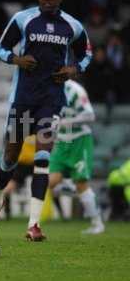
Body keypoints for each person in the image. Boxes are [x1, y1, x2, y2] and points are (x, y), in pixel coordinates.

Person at [0, 0, 92, 241]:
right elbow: (0, 49)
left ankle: (33, 225)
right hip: (23, 98)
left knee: (43, 157)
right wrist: (17, 59)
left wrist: (73, 69)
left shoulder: (73, 26)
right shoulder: (23, 19)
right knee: (10, 155)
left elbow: (86, 56)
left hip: (52, 99)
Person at [49, 80, 104, 234]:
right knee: (49, 181)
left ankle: (97, 223)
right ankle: (70, 186)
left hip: (80, 140)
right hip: (61, 141)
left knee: (82, 184)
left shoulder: (74, 90)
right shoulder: (48, 86)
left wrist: (67, 122)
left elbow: (90, 115)